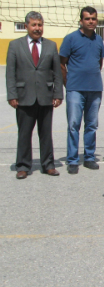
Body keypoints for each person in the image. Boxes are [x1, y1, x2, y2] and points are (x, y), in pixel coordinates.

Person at [6, 11, 64, 179]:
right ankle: (23, 166)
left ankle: (48, 165)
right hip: (24, 97)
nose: (37, 28)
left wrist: (58, 94)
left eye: (40, 25)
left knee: (46, 133)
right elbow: (10, 73)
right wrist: (12, 95)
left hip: (46, 97)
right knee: (24, 133)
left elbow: (56, 73)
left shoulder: (51, 46)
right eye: (34, 25)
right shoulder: (15, 45)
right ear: (26, 26)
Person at [60, 6, 104, 174]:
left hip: (94, 89)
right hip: (75, 89)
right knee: (73, 125)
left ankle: (89, 157)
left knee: (92, 125)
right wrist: (68, 83)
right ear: (81, 20)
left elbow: (99, 63)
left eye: (93, 18)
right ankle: (72, 160)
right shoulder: (70, 38)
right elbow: (61, 63)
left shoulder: (99, 40)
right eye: (87, 18)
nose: (91, 21)